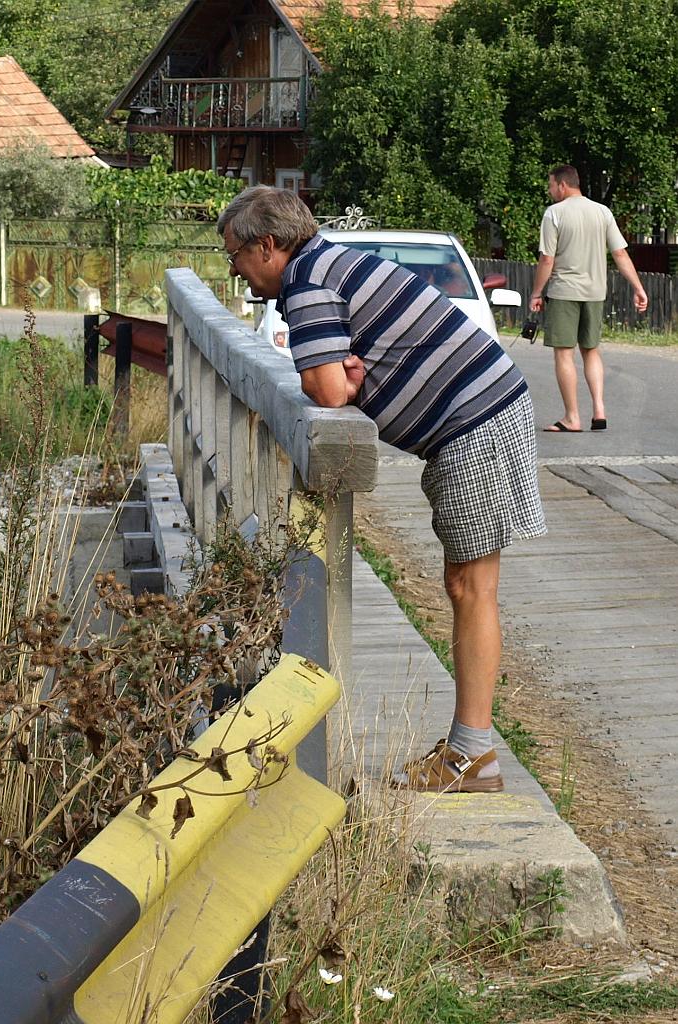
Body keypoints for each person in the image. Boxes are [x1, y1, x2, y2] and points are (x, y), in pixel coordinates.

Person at [217, 186, 547, 793]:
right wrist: (338, 375)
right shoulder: (326, 263)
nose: (234, 268)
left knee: (472, 587)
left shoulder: (307, 282)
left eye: (234, 253)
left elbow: (326, 390)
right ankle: (471, 750)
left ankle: (472, 756)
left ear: (266, 245)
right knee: (468, 584)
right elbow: (332, 379)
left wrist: (341, 380)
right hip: (481, 414)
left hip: (475, 422)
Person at [529, 164, 648, 432]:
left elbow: (547, 259)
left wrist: (536, 292)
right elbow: (620, 254)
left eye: (551, 185)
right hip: (595, 293)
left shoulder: (554, 213)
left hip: (564, 292)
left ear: (562, 185)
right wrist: (638, 287)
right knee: (591, 350)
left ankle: (572, 418)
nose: (549, 191)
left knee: (564, 354)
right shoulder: (602, 212)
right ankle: (599, 410)